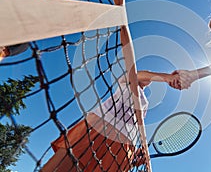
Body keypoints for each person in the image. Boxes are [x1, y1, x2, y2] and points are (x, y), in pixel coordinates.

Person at [41, 70, 181, 172]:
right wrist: (168, 77)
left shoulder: (143, 107)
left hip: (124, 146)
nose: (149, 78)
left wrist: (132, 159)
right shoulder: (125, 82)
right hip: (99, 127)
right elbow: (138, 75)